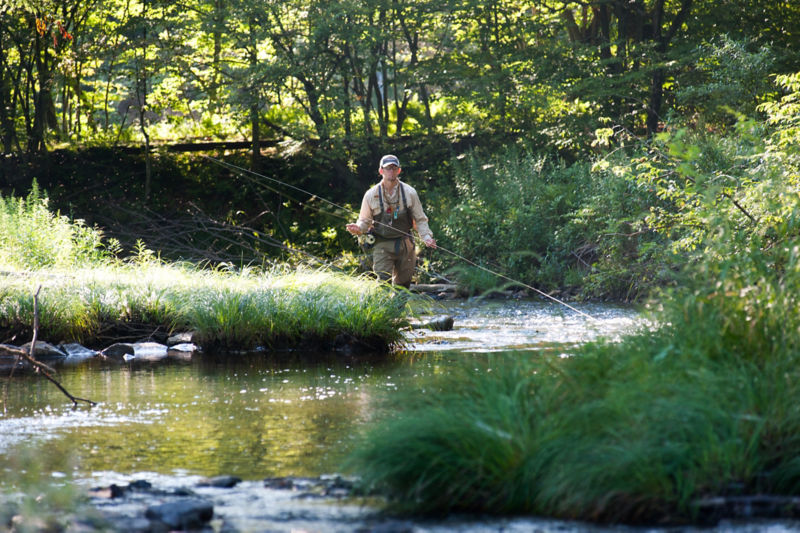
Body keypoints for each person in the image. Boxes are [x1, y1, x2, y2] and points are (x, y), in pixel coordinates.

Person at [346, 154, 436, 288]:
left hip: (405, 244)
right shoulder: (371, 194)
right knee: (383, 282)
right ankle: (384, 309)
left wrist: (427, 237)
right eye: (388, 168)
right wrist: (358, 228)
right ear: (381, 171)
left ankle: (397, 309)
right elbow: (364, 221)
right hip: (382, 244)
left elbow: (420, 219)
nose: (391, 171)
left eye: (394, 168)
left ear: (399, 170)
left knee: (404, 284)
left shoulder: (409, 192)